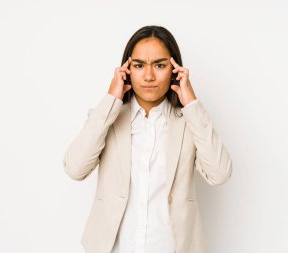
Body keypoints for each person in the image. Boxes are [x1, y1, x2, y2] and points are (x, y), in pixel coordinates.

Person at [62, 25, 233, 253]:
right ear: (127, 69)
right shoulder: (109, 118)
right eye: (139, 65)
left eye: (160, 65)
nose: (149, 76)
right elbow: (75, 169)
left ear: (174, 70)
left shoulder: (188, 122)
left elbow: (220, 173)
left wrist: (191, 104)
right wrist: (110, 100)